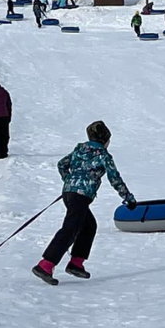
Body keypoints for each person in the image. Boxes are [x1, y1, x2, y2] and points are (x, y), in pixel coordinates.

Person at [33, 120, 135, 285]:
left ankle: (76, 263)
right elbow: (114, 178)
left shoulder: (79, 150)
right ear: (104, 139)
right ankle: (45, 265)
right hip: (80, 197)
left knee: (89, 226)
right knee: (70, 229)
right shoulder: (103, 155)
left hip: (69, 194)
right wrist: (128, 197)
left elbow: (62, 165)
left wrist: (70, 182)